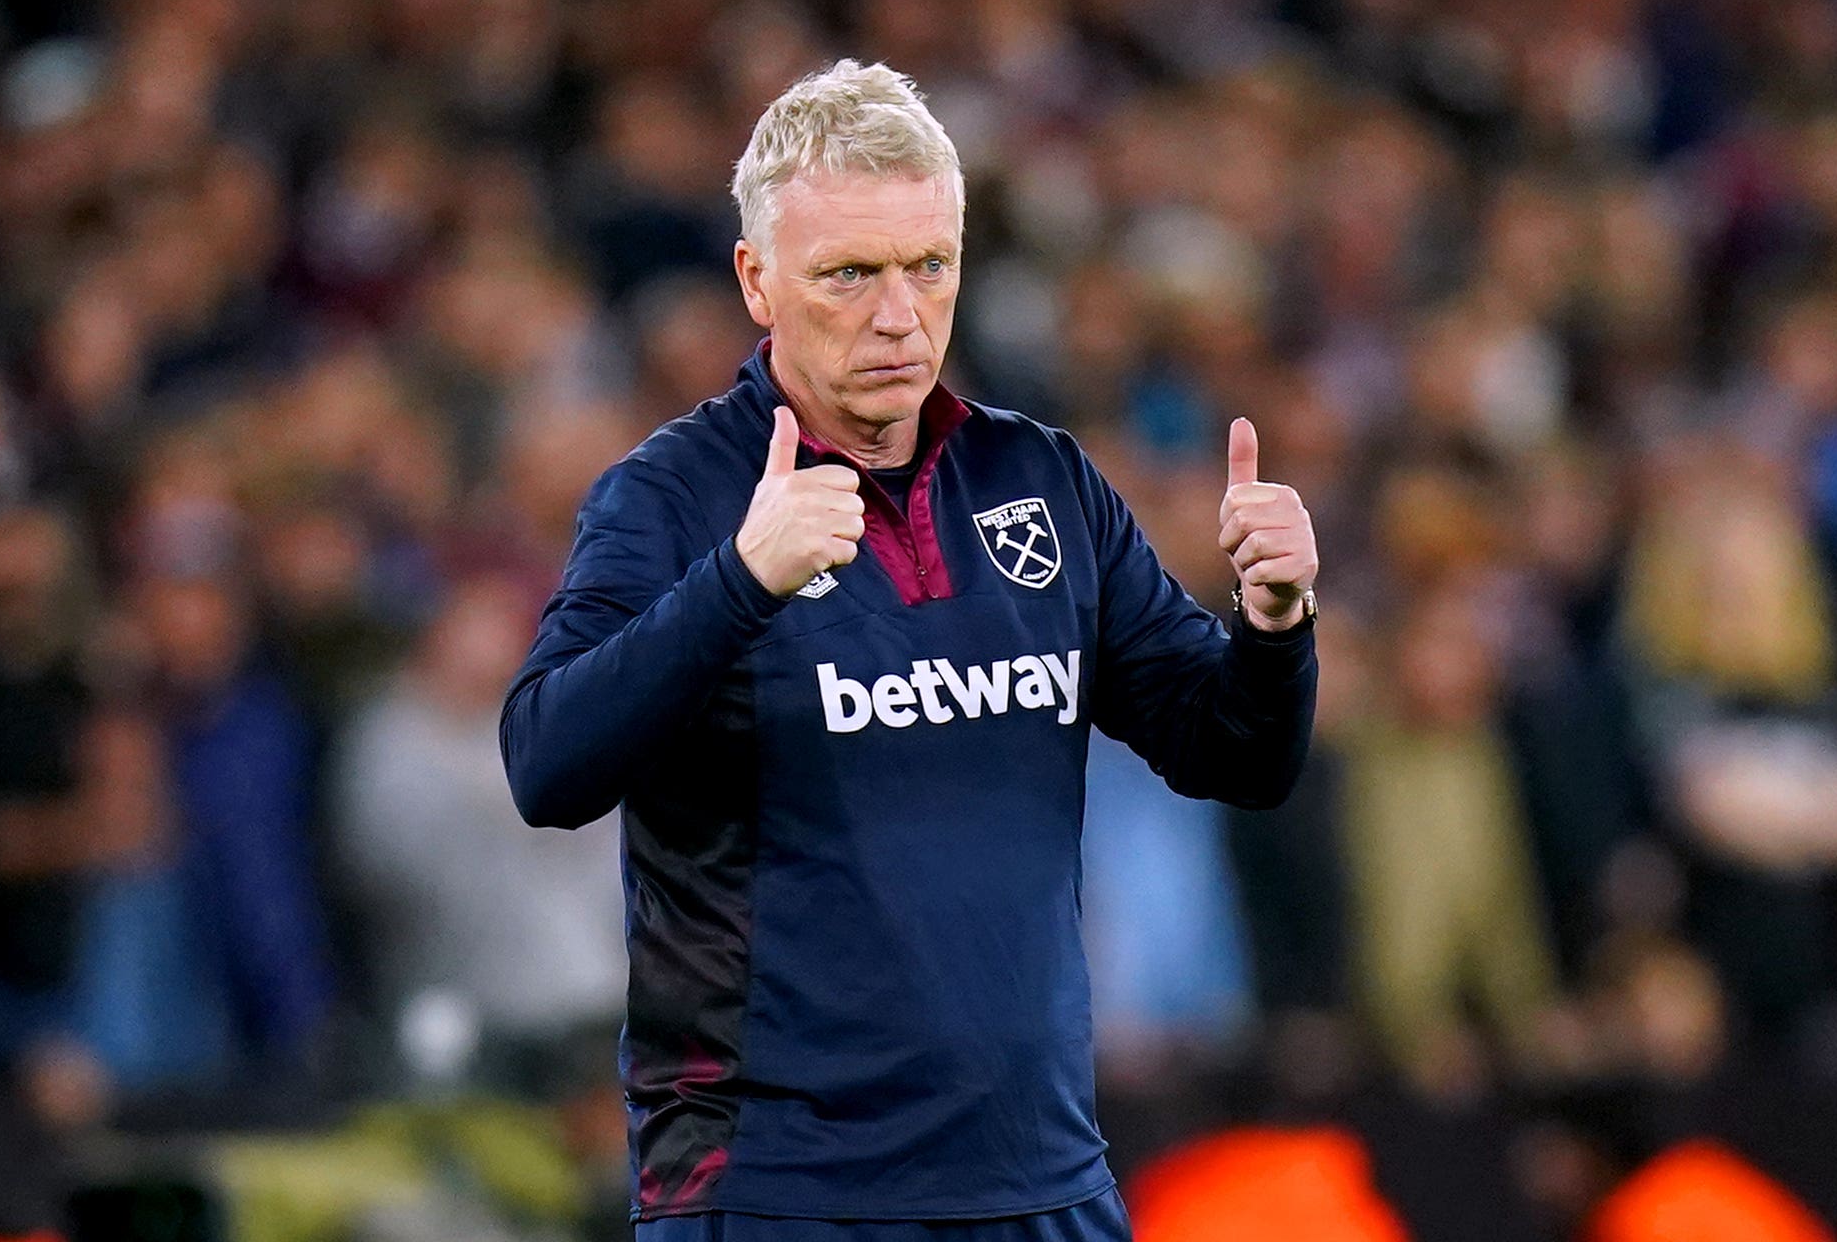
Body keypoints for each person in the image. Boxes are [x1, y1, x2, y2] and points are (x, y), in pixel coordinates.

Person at [499, 60, 1320, 1240]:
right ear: (758, 281)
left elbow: (1238, 755)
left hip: (1042, 1177)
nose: (898, 314)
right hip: (784, 1192)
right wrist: (740, 582)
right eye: (849, 275)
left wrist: (1275, 623)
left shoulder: (1040, 479)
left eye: (928, 266)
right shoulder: (672, 500)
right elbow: (545, 765)